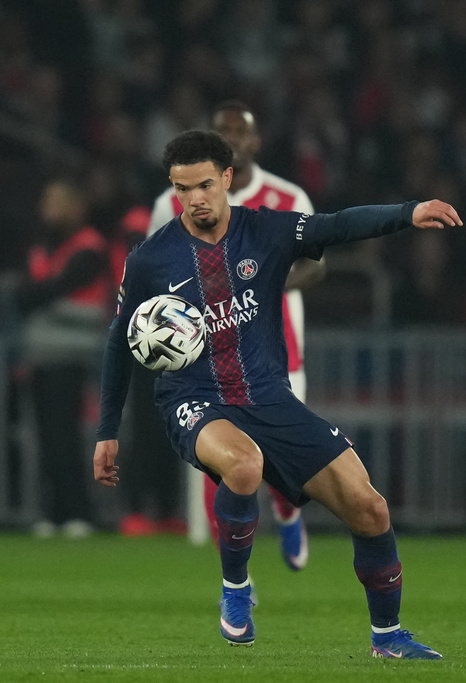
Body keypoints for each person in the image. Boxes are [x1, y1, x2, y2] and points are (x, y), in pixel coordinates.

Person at [95, 129, 459, 657]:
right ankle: (236, 589)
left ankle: (387, 636)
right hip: (194, 399)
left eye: (203, 185)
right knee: (244, 465)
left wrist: (410, 212)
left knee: (370, 509)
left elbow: (337, 225)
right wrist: (107, 430)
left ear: (226, 178)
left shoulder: (265, 230)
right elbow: (117, 344)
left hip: (270, 398)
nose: (194, 199)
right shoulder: (151, 258)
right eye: (182, 189)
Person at [150, 101, 324, 570]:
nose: (231, 139)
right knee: (222, 465)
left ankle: (288, 509)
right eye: (221, 131)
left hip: (277, 354)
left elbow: (316, 264)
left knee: (281, 458)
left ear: (255, 141)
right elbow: (154, 272)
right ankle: (235, 581)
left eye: (239, 132)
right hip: (206, 359)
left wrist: (265, 281)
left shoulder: (286, 197)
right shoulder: (171, 202)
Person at [17, 178, 112, 538]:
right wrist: (39, 294)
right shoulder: (42, 247)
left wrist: (39, 296)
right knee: (44, 439)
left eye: (56, 201)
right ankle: (53, 512)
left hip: (73, 356)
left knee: (66, 438)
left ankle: (78, 512)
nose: (47, 209)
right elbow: (26, 294)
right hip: (41, 356)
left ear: (77, 207)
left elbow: (46, 291)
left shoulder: (89, 247)